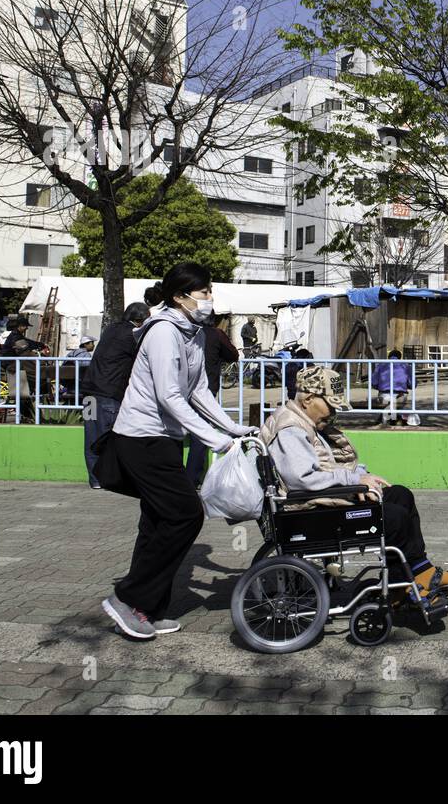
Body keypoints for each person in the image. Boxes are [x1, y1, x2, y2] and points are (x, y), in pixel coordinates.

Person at [98, 264, 259, 640]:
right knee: (186, 514)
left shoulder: (194, 333)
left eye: (209, 291)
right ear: (179, 297)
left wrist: (232, 428)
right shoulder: (163, 333)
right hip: (140, 437)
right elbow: (168, 394)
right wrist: (213, 439)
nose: (209, 299)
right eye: (202, 292)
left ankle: (147, 610)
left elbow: (199, 390)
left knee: (155, 522)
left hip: (165, 439)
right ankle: (127, 598)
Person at [259, 364, 448, 603]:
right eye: (330, 405)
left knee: (401, 495)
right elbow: (302, 479)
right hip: (309, 512)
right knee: (392, 518)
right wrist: (354, 482)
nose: (333, 413)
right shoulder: (290, 429)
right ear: (308, 399)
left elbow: (324, 466)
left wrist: (361, 478)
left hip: (322, 501)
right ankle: (408, 585)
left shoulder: (304, 422)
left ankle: (420, 572)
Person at [82, 304, 151, 489]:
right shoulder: (132, 335)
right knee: (116, 438)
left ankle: (95, 479)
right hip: (109, 393)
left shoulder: (111, 329)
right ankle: (115, 478)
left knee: (91, 437)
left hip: (90, 393)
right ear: (140, 321)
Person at [186, 323, 242, 488]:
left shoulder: (180, 331)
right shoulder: (215, 334)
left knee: (173, 433)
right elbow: (233, 354)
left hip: (179, 389)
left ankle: (174, 476)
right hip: (205, 391)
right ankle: (191, 477)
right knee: (200, 434)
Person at [0, 314, 50, 422]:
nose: (26, 328)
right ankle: (28, 416)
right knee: (23, 393)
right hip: (12, 367)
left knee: (27, 390)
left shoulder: (17, 335)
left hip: (17, 366)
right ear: (19, 326)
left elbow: (28, 343)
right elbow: (24, 348)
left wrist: (40, 345)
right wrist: (38, 351)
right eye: (25, 326)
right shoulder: (15, 337)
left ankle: (29, 415)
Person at [369, 348, 414, 425]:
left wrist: (381, 387)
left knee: (389, 404)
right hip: (400, 395)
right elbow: (412, 384)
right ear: (400, 357)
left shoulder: (380, 365)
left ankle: (386, 420)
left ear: (388, 357)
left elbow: (373, 382)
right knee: (398, 404)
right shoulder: (406, 366)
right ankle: (394, 419)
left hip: (383, 395)